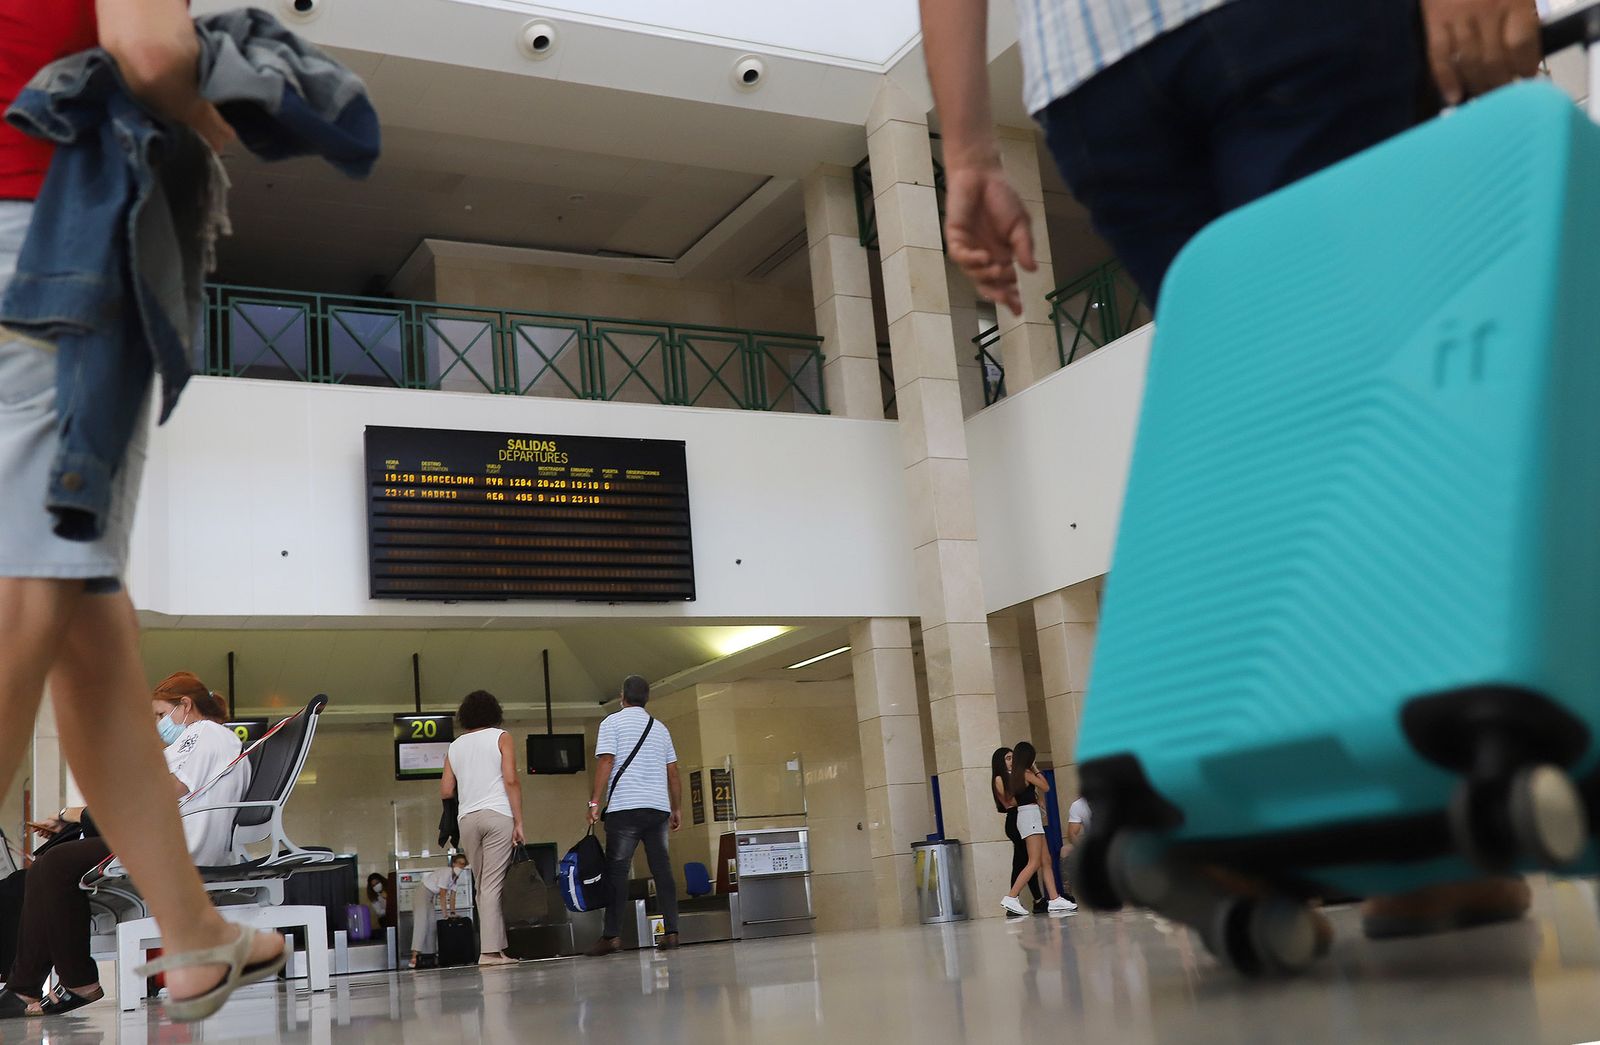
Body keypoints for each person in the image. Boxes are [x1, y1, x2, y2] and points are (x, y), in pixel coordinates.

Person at [919, 0, 1538, 937]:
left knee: (1248, 427)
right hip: (1290, 27)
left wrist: (966, 151)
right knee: (1358, 409)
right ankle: (1424, 843)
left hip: (1095, 78)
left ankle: (1227, 812)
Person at [0, 0, 282, 1021]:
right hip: (49, 239)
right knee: (34, 591)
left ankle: (194, 929)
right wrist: (217, 114)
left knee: (86, 617)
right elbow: (152, 46)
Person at [2, 673, 251, 1017]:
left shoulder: (207, 733)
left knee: (56, 864)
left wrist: (79, 814)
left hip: (176, 847)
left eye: (161, 715)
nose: (158, 724)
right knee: (47, 866)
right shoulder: (200, 740)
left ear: (186, 705)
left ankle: (67, 983)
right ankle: (25, 987)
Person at [586, 675, 682, 957]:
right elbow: (673, 772)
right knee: (662, 869)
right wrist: (677, 808)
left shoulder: (611, 723)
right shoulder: (661, 729)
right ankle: (672, 931)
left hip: (624, 808)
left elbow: (606, 761)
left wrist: (594, 801)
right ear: (647, 698)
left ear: (621, 696)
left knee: (617, 872)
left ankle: (611, 936)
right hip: (657, 809)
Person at [440, 690, 523, 967]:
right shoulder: (502, 737)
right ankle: (488, 954)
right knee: (491, 886)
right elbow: (510, 780)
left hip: (467, 819)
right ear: (494, 712)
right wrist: (519, 821)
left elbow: (446, 789)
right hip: (498, 814)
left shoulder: (455, 746)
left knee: (483, 886)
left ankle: (496, 951)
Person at [1001, 743, 1074, 917]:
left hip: (1029, 815)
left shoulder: (1016, 775)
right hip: (1029, 816)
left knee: (1045, 859)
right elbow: (1046, 786)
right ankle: (1011, 897)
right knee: (1034, 861)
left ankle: (1054, 899)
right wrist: (1035, 768)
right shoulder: (1025, 773)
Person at [992, 747, 1044, 914]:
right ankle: (1017, 899)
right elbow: (1011, 801)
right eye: (1008, 758)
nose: (1012, 761)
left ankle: (1037, 899)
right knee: (1024, 861)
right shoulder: (1000, 778)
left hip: (1022, 815)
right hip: (1015, 818)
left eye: (1013, 757)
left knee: (1026, 860)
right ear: (1000, 761)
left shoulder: (1017, 775)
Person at [408, 854, 470, 969]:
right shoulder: (446, 872)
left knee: (431, 925)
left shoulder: (455, 879)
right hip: (422, 894)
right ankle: (414, 956)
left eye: (463, 864)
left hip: (430, 897)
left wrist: (452, 913)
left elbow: (452, 897)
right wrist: (445, 914)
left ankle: (430, 957)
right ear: (453, 864)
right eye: (459, 863)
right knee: (421, 923)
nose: (461, 866)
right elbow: (442, 895)